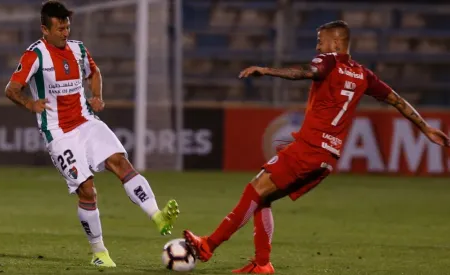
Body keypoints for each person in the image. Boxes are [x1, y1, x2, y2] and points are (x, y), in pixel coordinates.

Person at [183, 20, 450, 274]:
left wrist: (268, 70)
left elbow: (306, 72)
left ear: (336, 43)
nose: (317, 48)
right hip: (327, 157)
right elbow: (397, 100)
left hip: (309, 147)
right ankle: (262, 264)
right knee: (262, 197)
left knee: (253, 190)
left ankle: (207, 246)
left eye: (320, 42)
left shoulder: (329, 61)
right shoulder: (363, 74)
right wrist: (425, 128)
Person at [5, 1, 179, 267]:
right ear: (45, 29)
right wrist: (30, 104)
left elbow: (94, 72)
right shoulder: (35, 55)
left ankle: (158, 216)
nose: (65, 33)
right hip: (59, 133)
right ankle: (99, 252)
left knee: (121, 163)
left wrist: (97, 95)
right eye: (60, 28)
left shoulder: (78, 49)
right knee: (87, 191)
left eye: (67, 27)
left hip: (87, 122)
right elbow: (11, 89)